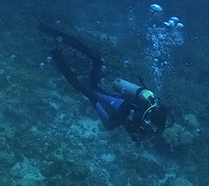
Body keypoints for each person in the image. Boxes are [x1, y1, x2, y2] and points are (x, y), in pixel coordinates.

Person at [39, 24, 171, 141]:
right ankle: (55, 54)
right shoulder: (147, 125)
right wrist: (96, 102)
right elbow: (127, 127)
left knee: (97, 64)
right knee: (92, 93)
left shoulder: (152, 111)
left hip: (122, 99)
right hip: (118, 103)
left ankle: (55, 36)